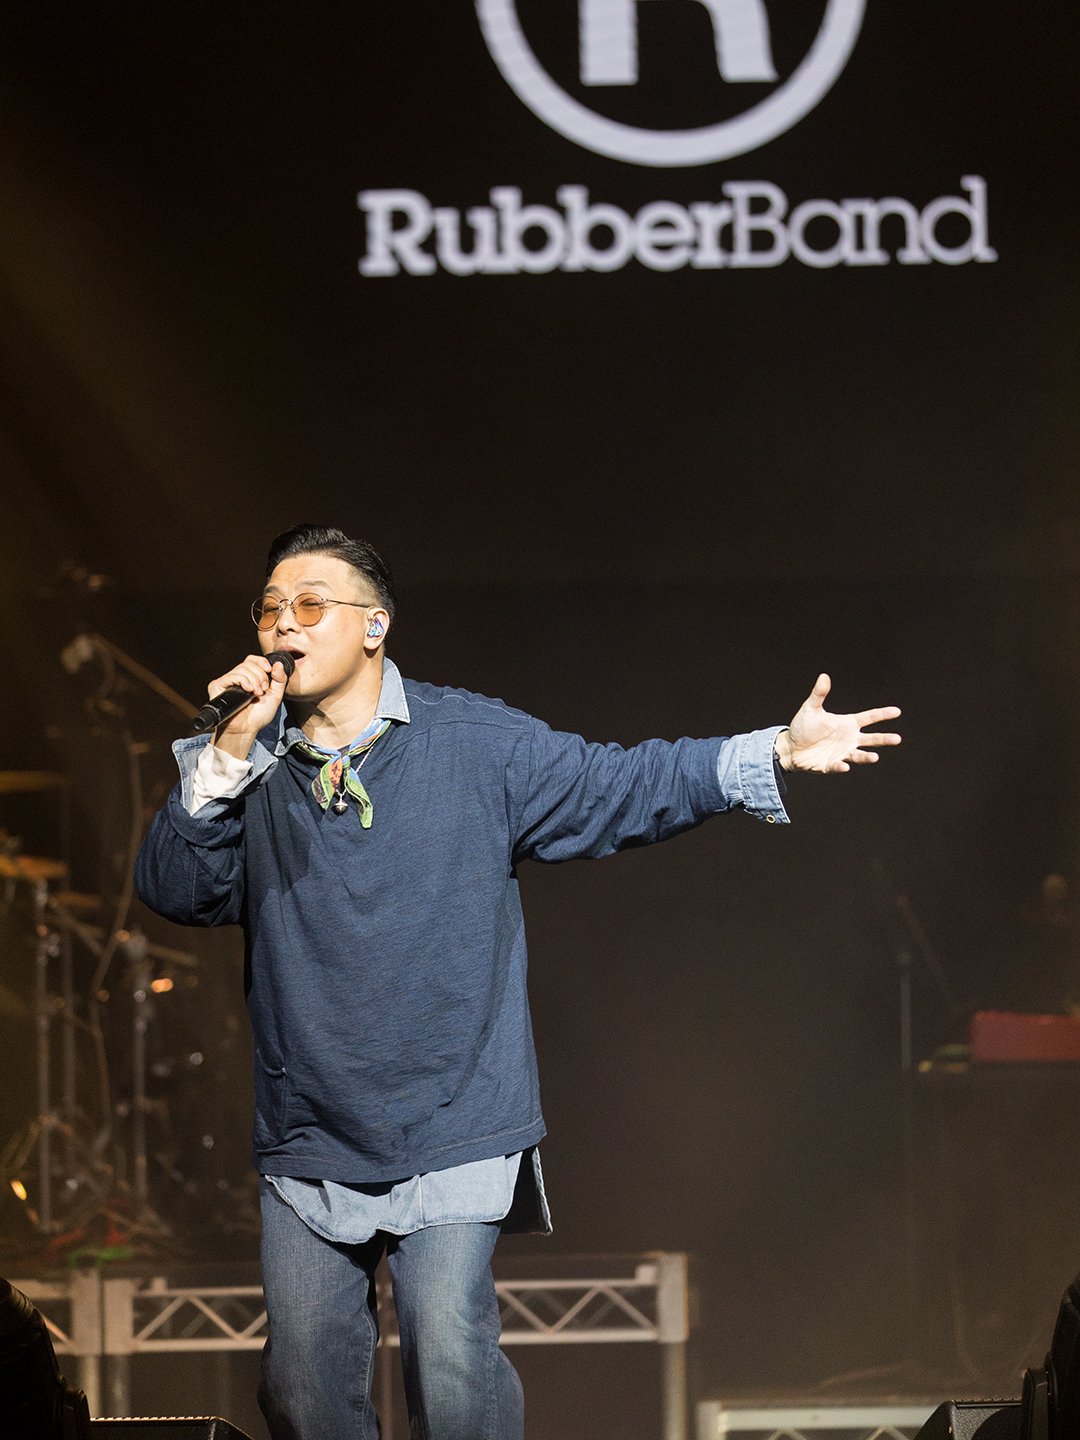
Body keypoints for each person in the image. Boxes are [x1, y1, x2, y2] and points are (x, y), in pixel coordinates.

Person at [134, 523, 901, 1440]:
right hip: (311, 1133)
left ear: (374, 626)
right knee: (300, 1394)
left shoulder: (477, 744)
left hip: (456, 1117)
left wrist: (771, 749)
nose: (282, 629)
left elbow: (621, 784)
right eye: (268, 610)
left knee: (453, 1372)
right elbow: (177, 891)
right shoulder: (247, 765)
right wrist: (223, 753)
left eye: (309, 606)